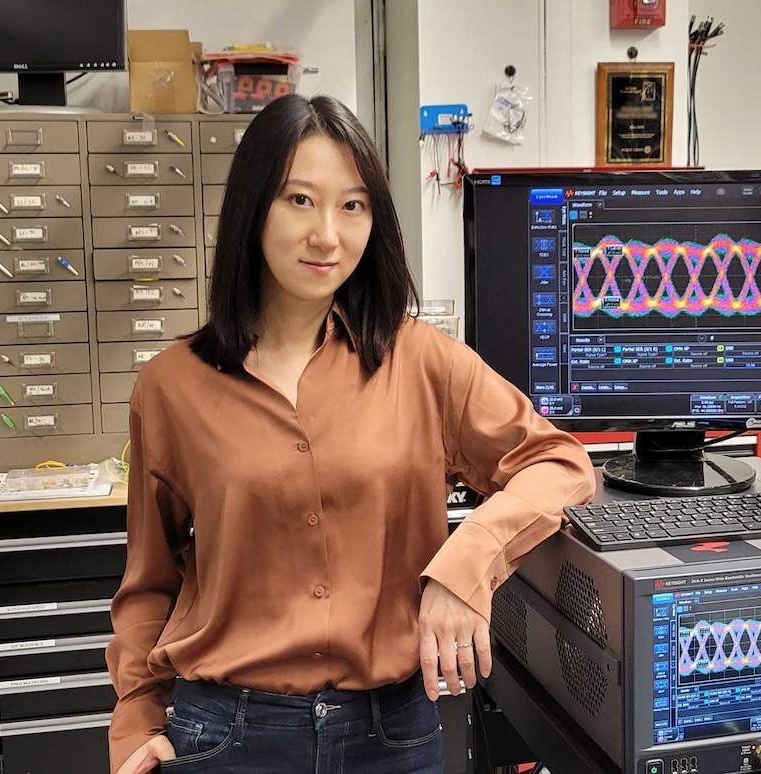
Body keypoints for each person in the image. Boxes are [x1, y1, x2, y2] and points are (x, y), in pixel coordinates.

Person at [108, 93, 595, 774]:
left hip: (392, 733)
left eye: (353, 205)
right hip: (226, 736)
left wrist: (466, 566)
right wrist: (135, 719)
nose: (327, 236)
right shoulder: (171, 386)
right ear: (253, 209)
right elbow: (148, 586)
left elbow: (559, 462)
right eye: (300, 200)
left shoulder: (422, 361)